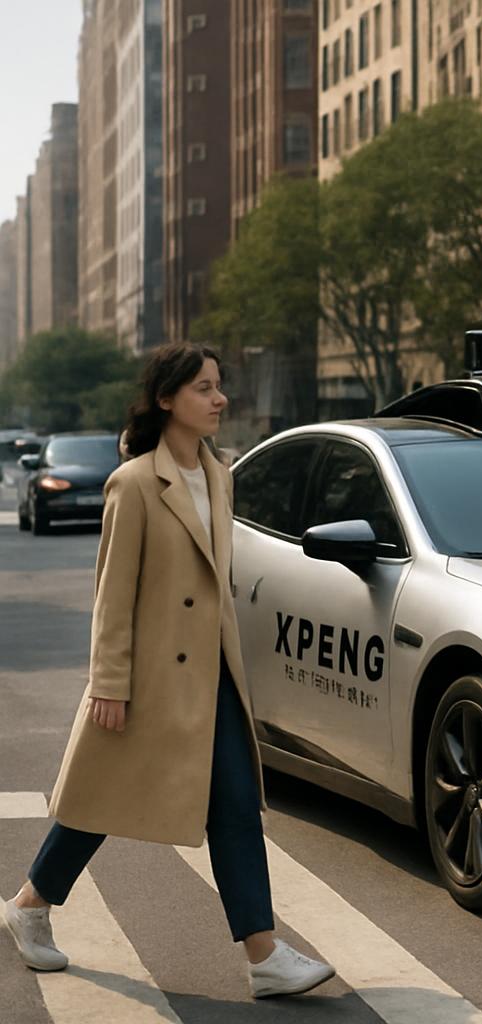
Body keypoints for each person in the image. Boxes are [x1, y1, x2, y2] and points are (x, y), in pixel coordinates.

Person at [2, 344, 336, 998]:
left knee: (237, 806)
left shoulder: (219, 474)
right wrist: (110, 683)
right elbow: (112, 592)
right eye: (204, 389)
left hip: (211, 678)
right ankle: (30, 905)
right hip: (152, 679)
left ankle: (263, 955)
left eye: (219, 387)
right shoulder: (134, 484)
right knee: (99, 801)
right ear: (166, 400)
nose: (219, 400)